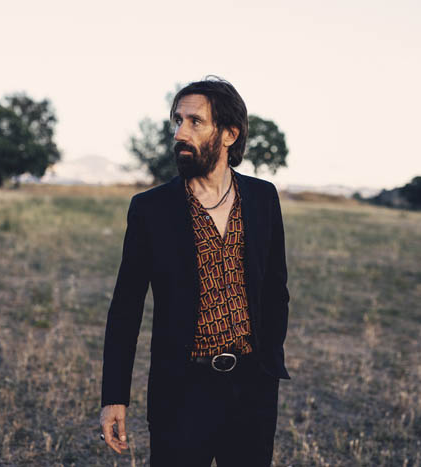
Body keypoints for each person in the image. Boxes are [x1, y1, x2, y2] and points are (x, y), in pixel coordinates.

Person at [99, 76, 290, 466]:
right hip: (181, 392)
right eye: (177, 121)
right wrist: (114, 396)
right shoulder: (151, 209)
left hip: (252, 390)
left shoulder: (263, 199)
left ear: (229, 134)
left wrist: (267, 365)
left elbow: (276, 291)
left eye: (195, 122)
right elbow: (126, 308)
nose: (179, 133)